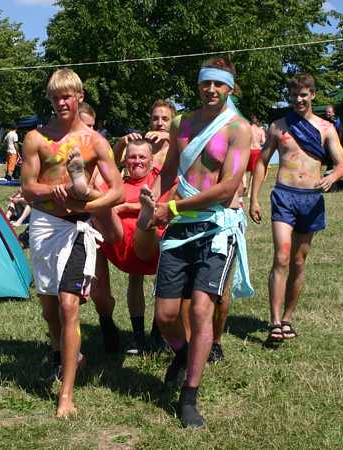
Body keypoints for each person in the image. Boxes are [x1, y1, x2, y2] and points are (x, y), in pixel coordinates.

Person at [144, 57, 253, 428]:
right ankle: (187, 353)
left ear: (229, 88)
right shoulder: (182, 123)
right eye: (206, 83)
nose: (211, 90)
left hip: (215, 229)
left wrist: (172, 206)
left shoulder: (238, 129)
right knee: (165, 316)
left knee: (201, 310)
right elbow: (168, 171)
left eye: (219, 84)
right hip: (179, 228)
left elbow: (227, 188)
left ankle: (189, 396)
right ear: (199, 85)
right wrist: (151, 202)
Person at [21, 68, 123, 418]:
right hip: (44, 226)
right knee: (50, 308)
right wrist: (57, 191)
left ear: (79, 97)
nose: (61, 103)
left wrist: (89, 206)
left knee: (69, 305)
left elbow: (118, 191)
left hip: (79, 227)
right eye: (55, 98)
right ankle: (68, 353)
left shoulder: (95, 141)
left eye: (67, 96)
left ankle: (66, 393)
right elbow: (27, 188)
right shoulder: (36, 138)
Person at [249, 73, 343, 345]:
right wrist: (254, 198)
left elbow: (342, 164)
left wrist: (332, 176)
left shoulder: (326, 128)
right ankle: (274, 322)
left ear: (312, 95)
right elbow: (261, 162)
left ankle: (288, 318)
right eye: (294, 96)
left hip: (311, 199)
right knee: (281, 256)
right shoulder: (278, 126)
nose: (298, 100)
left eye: (303, 95)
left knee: (299, 261)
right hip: (284, 196)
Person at [92, 139, 174, 356]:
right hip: (122, 248)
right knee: (134, 279)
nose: (137, 161)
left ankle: (157, 334)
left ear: (151, 160)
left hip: (152, 246)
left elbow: (168, 205)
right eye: (132, 157)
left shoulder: (160, 180)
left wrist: (126, 206)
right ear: (125, 160)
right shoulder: (117, 184)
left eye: (142, 157)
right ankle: (139, 337)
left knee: (161, 275)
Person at [114, 99, 176, 170]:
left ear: (173, 121)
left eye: (165, 119)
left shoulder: (178, 146)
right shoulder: (140, 144)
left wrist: (170, 137)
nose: (159, 123)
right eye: (155, 119)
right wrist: (120, 143)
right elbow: (113, 163)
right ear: (150, 121)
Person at [242, 115, 266, 196]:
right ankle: (249, 193)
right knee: (253, 173)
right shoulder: (260, 130)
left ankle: (244, 184)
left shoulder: (247, 129)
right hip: (257, 151)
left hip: (248, 151)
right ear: (258, 121)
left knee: (243, 170)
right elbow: (263, 141)